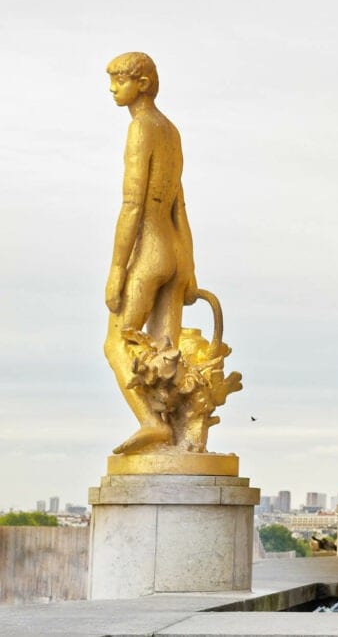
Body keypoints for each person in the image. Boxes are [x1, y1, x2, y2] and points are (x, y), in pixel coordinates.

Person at [103, 52, 198, 455]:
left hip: (149, 248)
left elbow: (132, 205)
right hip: (175, 248)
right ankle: (175, 440)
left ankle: (150, 422)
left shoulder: (141, 128)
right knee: (165, 353)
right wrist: (189, 266)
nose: (112, 88)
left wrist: (116, 268)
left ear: (142, 83)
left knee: (115, 344)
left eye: (120, 79)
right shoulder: (171, 130)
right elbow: (180, 203)